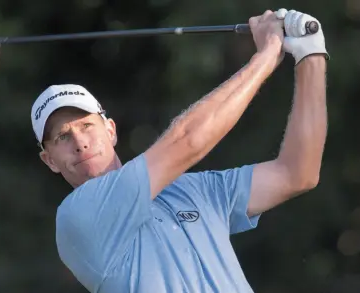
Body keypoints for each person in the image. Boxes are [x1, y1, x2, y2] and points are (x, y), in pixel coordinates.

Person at [30, 8, 329, 293]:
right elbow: (188, 139)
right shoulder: (79, 214)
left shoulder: (193, 189)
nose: (80, 142)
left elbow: (297, 173)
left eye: (86, 126)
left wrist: (311, 54)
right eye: (62, 137)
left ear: (110, 130)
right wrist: (267, 55)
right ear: (50, 161)